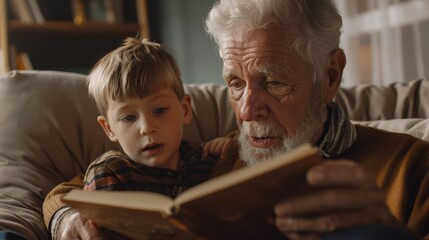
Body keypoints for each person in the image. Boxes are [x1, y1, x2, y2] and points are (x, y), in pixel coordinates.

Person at [43, 0, 429, 239]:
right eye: (235, 83)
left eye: (273, 83)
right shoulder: (214, 156)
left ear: (329, 76)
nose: (246, 111)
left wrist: (385, 233)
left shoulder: (413, 166)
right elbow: (68, 192)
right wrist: (66, 219)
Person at [42, 37, 238, 239]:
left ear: (185, 110)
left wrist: (225, 161)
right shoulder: (110, 172)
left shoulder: (203, 158)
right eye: (128, 117)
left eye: (160, 110)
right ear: (109, 128)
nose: (146, 128)